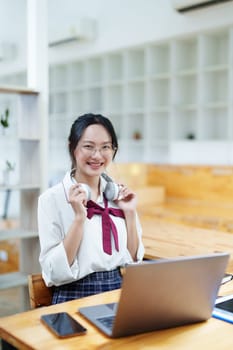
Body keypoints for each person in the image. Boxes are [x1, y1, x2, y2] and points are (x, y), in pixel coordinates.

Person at [38, 113, 145, 304]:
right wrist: (79, 218)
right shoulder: (51, 200)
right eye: (88, 146)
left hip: (119, 291)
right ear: (72, 147)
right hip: (74, 294)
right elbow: (53, 271)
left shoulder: (118, 196)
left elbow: (133, 260)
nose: (97, 155)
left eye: (105, 147)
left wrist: (129, 213)